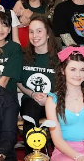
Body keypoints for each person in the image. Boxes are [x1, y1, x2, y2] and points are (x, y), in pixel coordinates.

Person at [17, 16, 59, 153]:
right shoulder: (23, 56)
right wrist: (33, 94)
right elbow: (19, 82)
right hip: (31, 99)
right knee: (30, 111)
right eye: (31, 31)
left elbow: (66, 85)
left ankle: (61, 153)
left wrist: (49, 98)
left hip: (55, 100)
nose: (34, 36)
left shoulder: (60, 57)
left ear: (48, 34)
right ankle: (34, 159)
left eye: (39, 31)